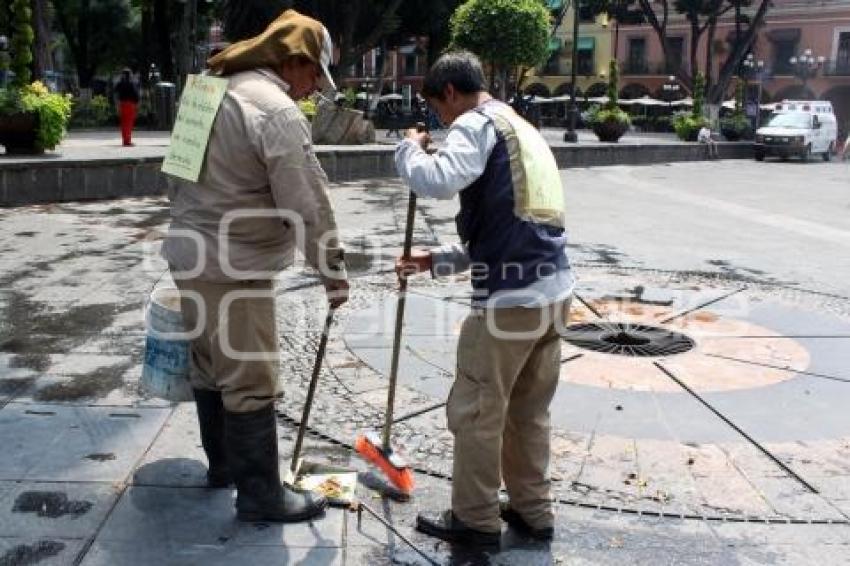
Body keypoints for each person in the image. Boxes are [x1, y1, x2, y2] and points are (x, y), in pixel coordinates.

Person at [161, 9, 349, 524]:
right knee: (250, 377)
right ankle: (262, 496)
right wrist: (332, 268)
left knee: (210, 366)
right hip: (234, 267)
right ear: (292, 60)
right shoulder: (275, 110)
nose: (313, 89)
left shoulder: (205, 90)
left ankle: (224, 467)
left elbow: (175, 177)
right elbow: (306, 202)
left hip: (187, 257)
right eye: (314, 75)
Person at [394, 51, 574, 546]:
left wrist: (409, 149)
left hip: (508, 305)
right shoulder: (521, 127)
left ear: (449, 93)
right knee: (528, 413)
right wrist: (438, 260)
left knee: (477, 412)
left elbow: (436, 179)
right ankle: (533, 512)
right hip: (554, 294)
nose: (439, 121)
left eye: (437, 110)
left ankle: (474, 520)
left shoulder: (475, 124)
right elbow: (514, 227)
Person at [115, 69, 139, 146]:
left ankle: (124, 140)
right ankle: (127, 141)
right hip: (130, 105)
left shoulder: (119, 84)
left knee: (123, 123)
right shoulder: (132, 84)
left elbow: (115, 93)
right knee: (129, 124)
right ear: (130, 75)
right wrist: (137, 104)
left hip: (121, 104)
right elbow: (136, 95)